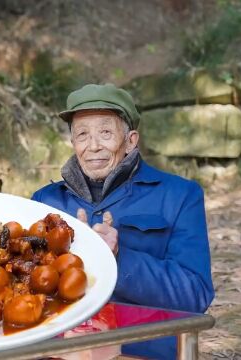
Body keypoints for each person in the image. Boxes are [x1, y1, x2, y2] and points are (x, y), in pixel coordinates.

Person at [31, 84, 214, 359]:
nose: (93, 146)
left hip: (138, 349)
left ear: (130, 140)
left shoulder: (179, 195)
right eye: (82, 134)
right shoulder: (45, 201)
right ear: (73, 142)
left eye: (105, 132)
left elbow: (195, 297)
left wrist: (118, 257)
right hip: (57, 349)